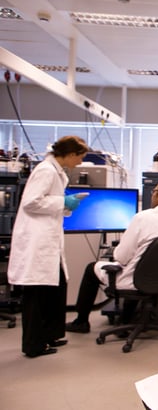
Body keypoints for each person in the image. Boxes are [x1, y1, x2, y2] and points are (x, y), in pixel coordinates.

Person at [66, 180, 158, 333]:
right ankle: (126, 319)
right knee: (136, 267)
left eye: (154, 192)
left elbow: (121, 257)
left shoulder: (142, 218)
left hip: (137, 280)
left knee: (92, 268)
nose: (152, 195)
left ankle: (81, 321)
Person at [8, 135, 89, 358]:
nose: (80, 163)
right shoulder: (46, 170)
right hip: (37, 240)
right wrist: (62, 202)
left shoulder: (56, 171)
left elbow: (48, 202)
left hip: (49, 238)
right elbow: (31, 202)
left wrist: (66, 203)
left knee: (56, 287)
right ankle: (34, 345)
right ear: (71, 154)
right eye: (80, 157)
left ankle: (50, 335)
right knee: (37, 295)